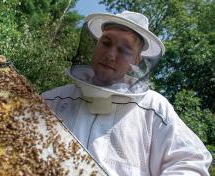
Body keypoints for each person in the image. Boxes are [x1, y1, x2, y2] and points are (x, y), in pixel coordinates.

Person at [41, 10, 212, 175]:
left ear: (136, 59)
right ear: (96, 43)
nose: (110, 54)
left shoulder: (153, 108)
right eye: (106, 43)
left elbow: (191, 160)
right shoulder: (52, 101)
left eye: (124, 50)